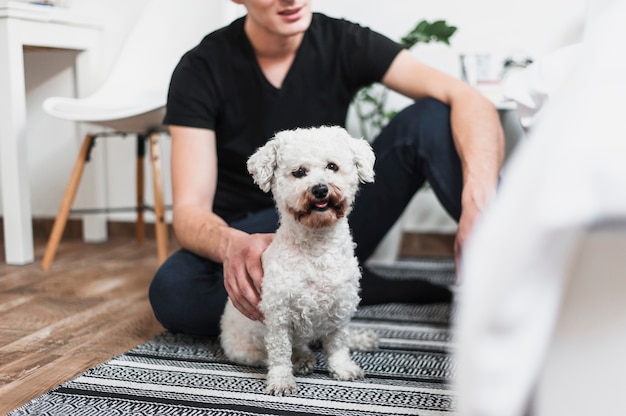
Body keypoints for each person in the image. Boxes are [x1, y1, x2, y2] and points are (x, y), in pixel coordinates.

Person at [149, 0, 504, 336]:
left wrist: (477, 203)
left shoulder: (344, 41)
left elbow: (471, 100)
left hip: (333, 217)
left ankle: (521, 275)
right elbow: (189, 210)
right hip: (254, 234)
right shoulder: (202, 67)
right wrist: (231, 245)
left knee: (432, 117)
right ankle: (342, 289)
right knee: (175, 294)